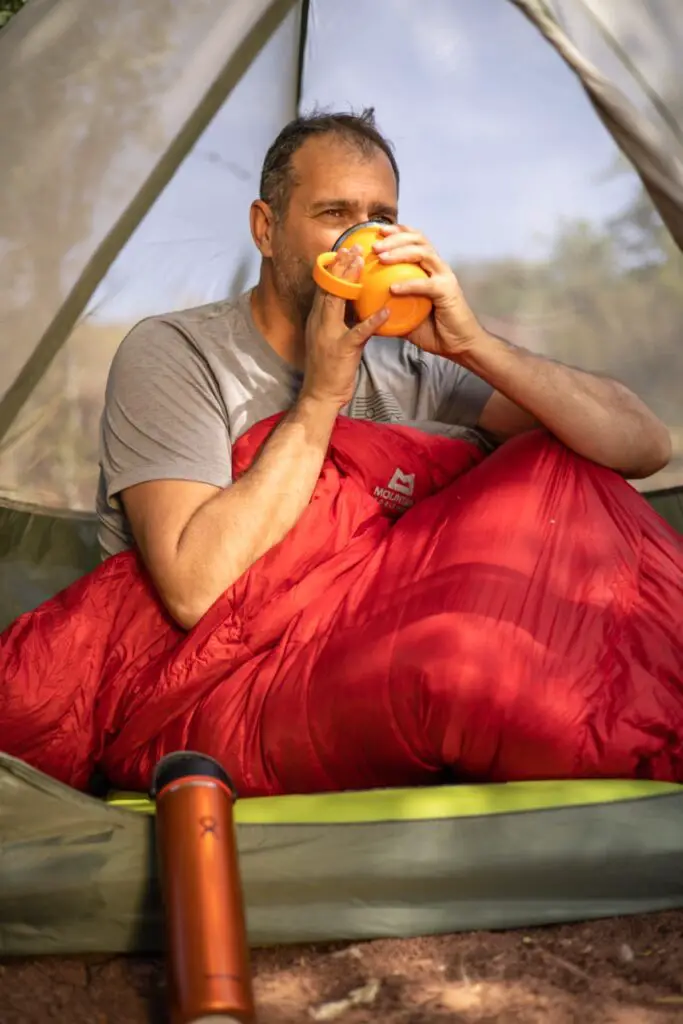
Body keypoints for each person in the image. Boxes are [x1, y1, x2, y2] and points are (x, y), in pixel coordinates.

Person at [97, 108, 672, 631]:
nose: (363, 240)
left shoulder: (413, 362)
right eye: (335, 214)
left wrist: (472, 345)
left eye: (382, 219)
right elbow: (197, 591)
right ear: (265, 230)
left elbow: (642, 446)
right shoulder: (176, 353)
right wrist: (321, 398)